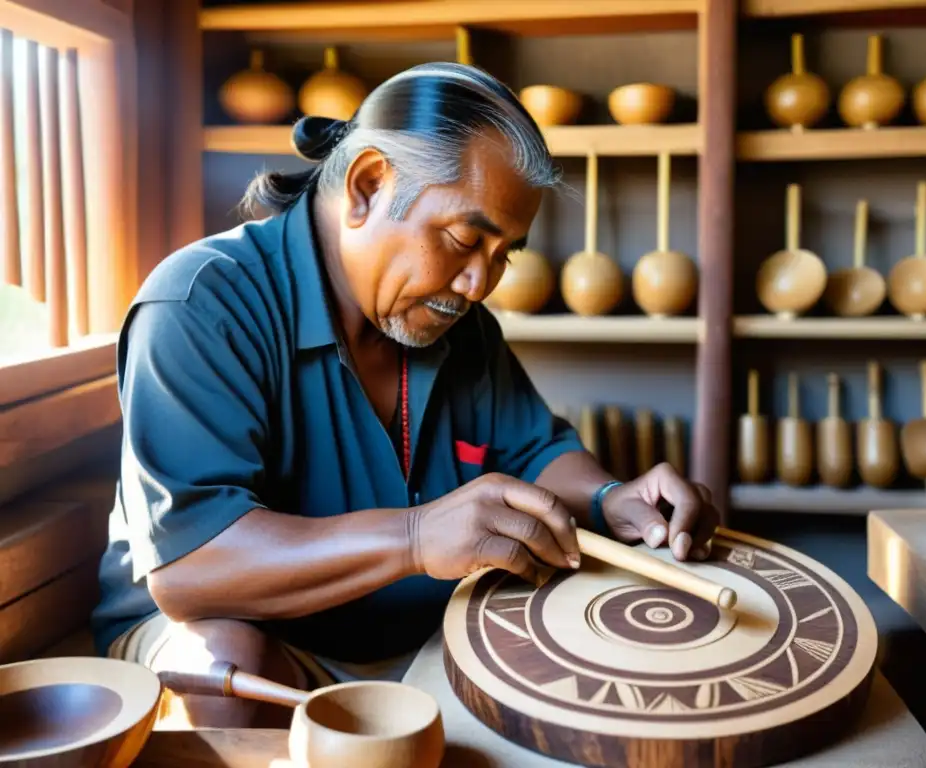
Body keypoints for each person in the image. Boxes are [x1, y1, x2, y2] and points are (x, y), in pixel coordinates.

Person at [90, 62, 721, 729]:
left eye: (505, 253)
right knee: (227, 664)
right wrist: (418, 537)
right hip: (252, 641)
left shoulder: (458, 323)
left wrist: (608, 498)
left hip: (418, 631)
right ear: (367, 186)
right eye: (463, 239)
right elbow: (193, 569)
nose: (481, 282)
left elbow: (534, 450)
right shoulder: (202, 304)